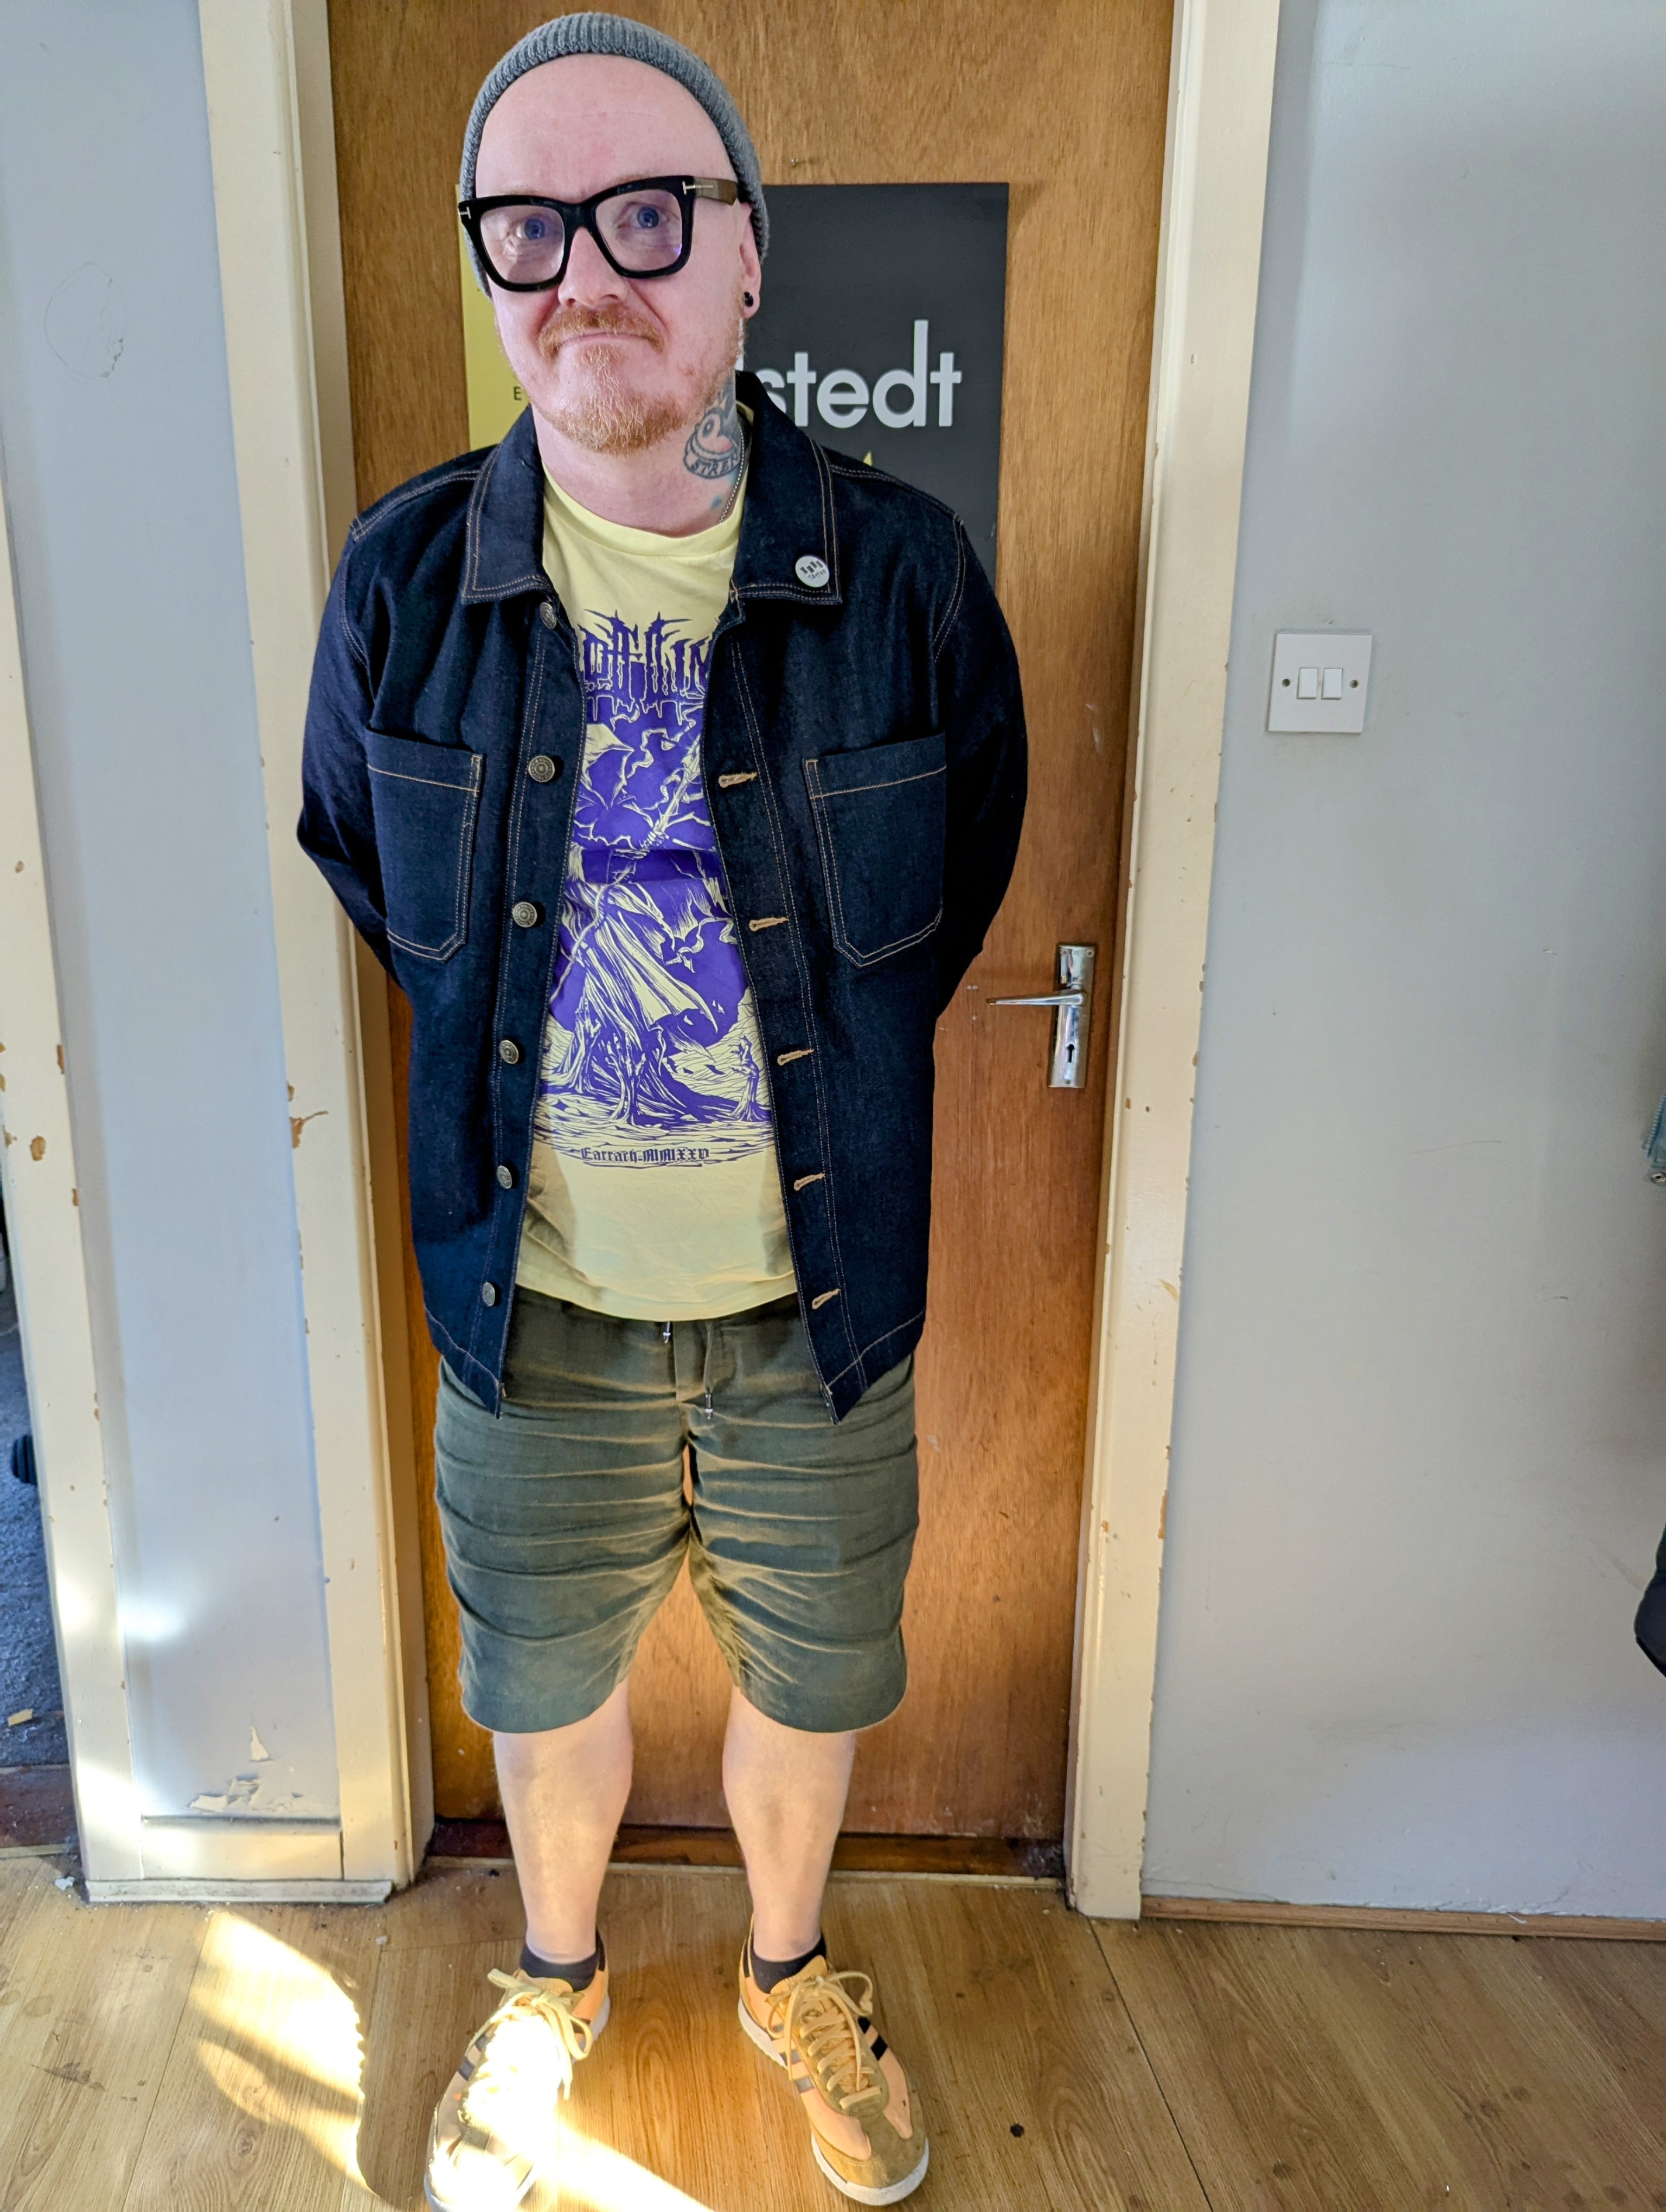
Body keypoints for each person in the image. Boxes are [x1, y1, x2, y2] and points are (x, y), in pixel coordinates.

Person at [300, 15, 1026, 2208]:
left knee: (815, 1678)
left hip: (823, 1302)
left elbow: (958, 880)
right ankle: (557, 1981)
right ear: (488, 262)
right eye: (529, 225)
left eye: (645, 214)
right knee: (541, 1684)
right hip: (532, 1304)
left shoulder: (904, 580)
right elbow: (378, 881)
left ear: (746, 257)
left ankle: (790, 1970)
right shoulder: (403, 586)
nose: (584, 273)